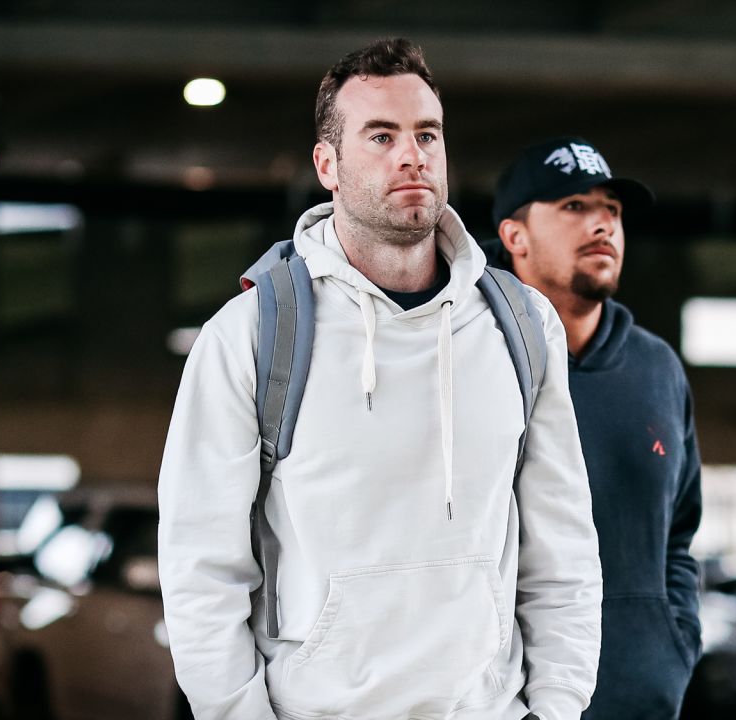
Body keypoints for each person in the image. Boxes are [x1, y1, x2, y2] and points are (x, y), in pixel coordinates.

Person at [157, 40, 602, 720]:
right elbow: (201, 573)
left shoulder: (521, 325)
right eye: (382, 136)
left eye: (427, 134)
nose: (411, 155)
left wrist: (558, 708)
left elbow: (563, 553)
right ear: (327, 164)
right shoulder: (249, 336)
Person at [488, 137, 704, 720]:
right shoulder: (472, 355)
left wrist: (672, 648)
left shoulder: (656, 368)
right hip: (504, 702)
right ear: (515, 237)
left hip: (640, 695)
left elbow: (679, 536)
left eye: (611, 209)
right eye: (574, 206)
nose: (602, 224)